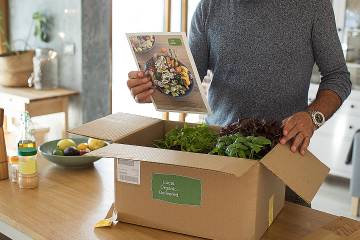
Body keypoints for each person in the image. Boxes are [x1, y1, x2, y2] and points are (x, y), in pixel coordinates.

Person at [127, 0, 352, 206]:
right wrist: (152, 88)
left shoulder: (313, 5)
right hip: (218, 152)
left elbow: (338, 76)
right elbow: (187, 80)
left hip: (284, 154)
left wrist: (312, 117)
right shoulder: (209, 7)